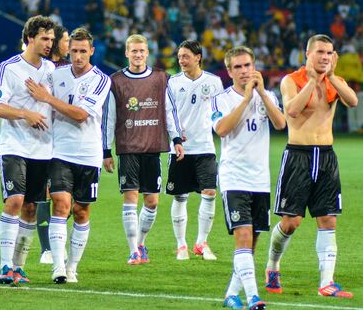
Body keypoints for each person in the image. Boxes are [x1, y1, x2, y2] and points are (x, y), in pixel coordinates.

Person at [265, 34, 358, 298]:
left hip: (326, 156)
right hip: (298, 156)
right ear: (307, 54)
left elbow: (353, 101)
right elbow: (291, 110)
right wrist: (314, 82)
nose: (325, 57)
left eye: (329, 53)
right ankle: (273, 265)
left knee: (328, 219)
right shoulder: (291, 80)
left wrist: (331, 79)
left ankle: (326, 283)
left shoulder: (334, 82)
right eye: (320, 52)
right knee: (291, 222)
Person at [26, 27, 111, 284]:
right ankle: (59, 267)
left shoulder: (101, 80)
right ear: (68, 49)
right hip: (60, 152)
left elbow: (81, 114)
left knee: (81, 211)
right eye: (74, 50)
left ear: (92, 52)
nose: (78, 56)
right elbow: (39, 99)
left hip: (88, 154)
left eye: (83, 51)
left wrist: (49, 99)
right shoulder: (56, 74)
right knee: (60, 205)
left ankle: (73, 266)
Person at [212, 46, 285, 310]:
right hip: (234, 178)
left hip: (260, 180)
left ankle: (232, 295)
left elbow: (280, 124)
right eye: (238, 67)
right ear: (229, 71)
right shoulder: (222, 99)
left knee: (251, 243)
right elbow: (221, 129)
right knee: (242, 237)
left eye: (248, 66)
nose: (244, 71)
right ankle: (253, 297)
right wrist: (245, 99)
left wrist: (262, 93)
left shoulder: (268, 97)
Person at [102, 34, 181, 265]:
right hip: (127, 148)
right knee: (130, 197)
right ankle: (133, 251)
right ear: (127, 53)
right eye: (133, 51)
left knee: (152, 202)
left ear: (147, 53)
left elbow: (170, 111)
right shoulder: (115, 81)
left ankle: (141, 242)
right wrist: (106, 150)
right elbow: (109, 118)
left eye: (141, 51)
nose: (137, 55)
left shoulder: (161, 79)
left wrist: (176, 138)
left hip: (153, 146)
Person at [0, 15, 55, 285]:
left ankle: (19, 266)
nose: (49, 43)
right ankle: (5, 265)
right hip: (14, 145)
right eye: (44, 38)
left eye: (52, 39)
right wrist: (25, 113)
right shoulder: (9, 68)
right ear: (30, 38)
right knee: (14, 201)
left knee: (30, 208)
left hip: (43, 150)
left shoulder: (52, 70)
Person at [165, 40, 224, 261]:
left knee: (209, 193)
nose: (181, 60)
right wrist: (176, 136)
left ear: (198, 57)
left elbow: (220, 111)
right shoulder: (172, 82)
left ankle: (201, 242)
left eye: (186, 56)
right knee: (180, 197)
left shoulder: (214, 82)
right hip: (180, 148)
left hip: (205, 147)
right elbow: (168, 113)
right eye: (179, 56)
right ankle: (182, 245)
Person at [37, 24, 70, 265]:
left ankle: (55, 242)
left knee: (66, 197)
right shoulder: (44, 69)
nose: (68, 46)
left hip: (67, 140)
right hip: (44, 137)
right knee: (44, 194)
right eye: (66, 41)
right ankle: (46, 249)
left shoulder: (69, 70)